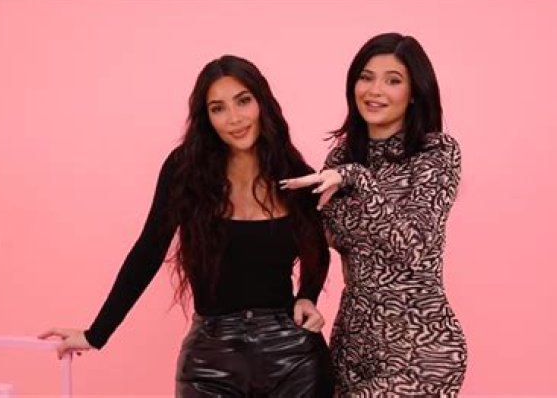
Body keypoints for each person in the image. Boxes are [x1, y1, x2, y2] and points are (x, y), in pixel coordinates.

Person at [40, 55, 334, 397]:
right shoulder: (186, 170)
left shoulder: (295, 174)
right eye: (218, 108)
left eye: (243, 101)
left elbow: (317, 250)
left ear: (262, 103)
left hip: (293, 356)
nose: (234, 118)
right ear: (206, 118)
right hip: (210, 356)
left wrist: (307, 296)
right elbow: (149, 250)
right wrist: (97, 333)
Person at [281, 33, 467, 396]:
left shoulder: (437, 152)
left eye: (393, 80)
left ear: (414, 92)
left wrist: (358, 178)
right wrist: (305, 295)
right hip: (351, 349)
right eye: (366, 77)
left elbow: (414, 248)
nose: (375, 90)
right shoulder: (340, 158)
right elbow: (316, 240)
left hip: (421, 352)